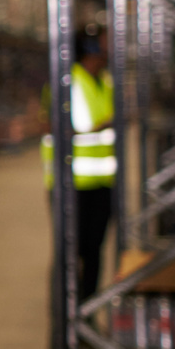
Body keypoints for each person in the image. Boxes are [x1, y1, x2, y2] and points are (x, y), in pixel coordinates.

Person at [42, 28, 116, 300]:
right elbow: (60, 126)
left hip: (103, 182)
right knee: (69, 255)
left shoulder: (107, 81)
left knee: (95, 252)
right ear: (91, 48)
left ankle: (89, 316)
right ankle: (65, 327)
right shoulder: (66, 82)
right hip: (69, 183)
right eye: (104, 43)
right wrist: (104, 124)